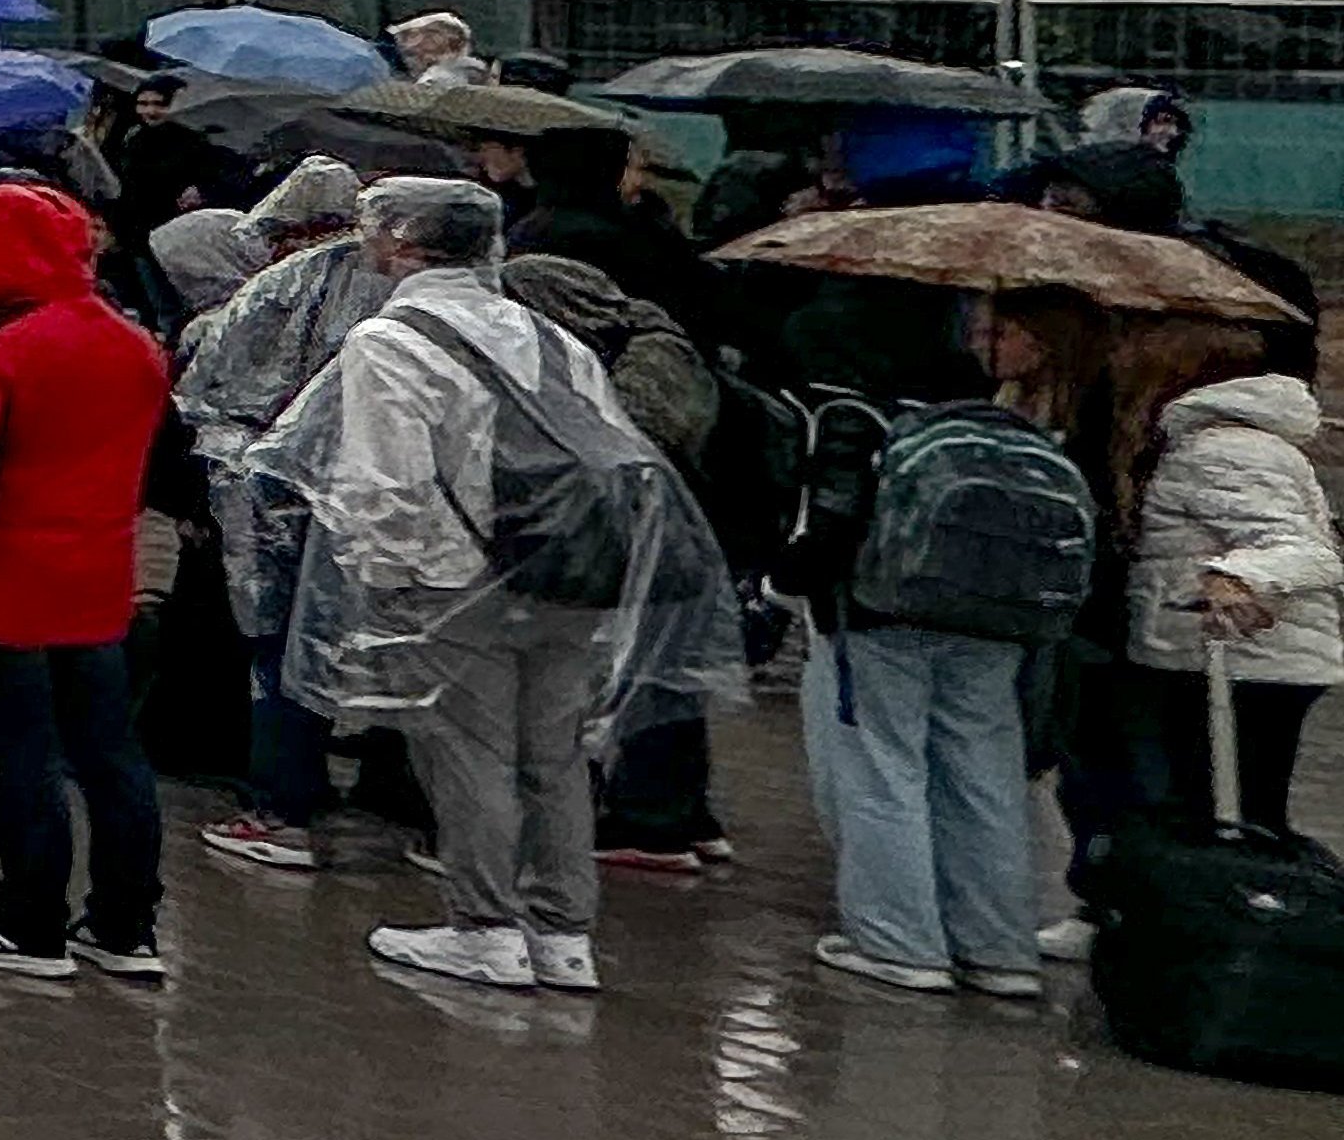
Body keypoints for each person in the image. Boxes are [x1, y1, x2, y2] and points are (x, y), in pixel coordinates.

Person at [248, 174, 706, 995]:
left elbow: (385, 482)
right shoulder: (550, 335)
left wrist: (383, 588)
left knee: (472, 756)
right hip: (568, 571)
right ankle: (564, 935)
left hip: (453, 578)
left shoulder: (389, 341)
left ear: (399, 241)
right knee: (556, 756)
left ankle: (486, 928)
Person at [0, 177, 173, 980]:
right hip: (94, 575)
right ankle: (125, 923)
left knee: (19, 755)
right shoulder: (130, 342)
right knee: (111, 754)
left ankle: (29, 920)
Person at [780, 283, 1084, 997]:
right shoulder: (1019, 430)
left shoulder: (869, 411)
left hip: (884, 617)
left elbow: (836, 521)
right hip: (997, 624)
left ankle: (899, 942)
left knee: (884, 773)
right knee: (985, 782)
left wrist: (789, 580)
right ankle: (1000, 951)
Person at [172, 158, 384, 871]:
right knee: (336, 646)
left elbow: (209, 396)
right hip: (374, 496)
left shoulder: (283, 291)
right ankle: (340, 789)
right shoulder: (407, 292)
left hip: (271, 497)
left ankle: (279, 808)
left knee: (279, 650)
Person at [1095, 308, 1338, 857]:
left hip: (1239, 658)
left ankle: (1238, 925)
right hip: (1232, 656)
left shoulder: (1223, 450)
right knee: (1230, 811)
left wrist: (1234, 577)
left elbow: (1304, 551)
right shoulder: (1219, 443)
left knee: (1225, 814)